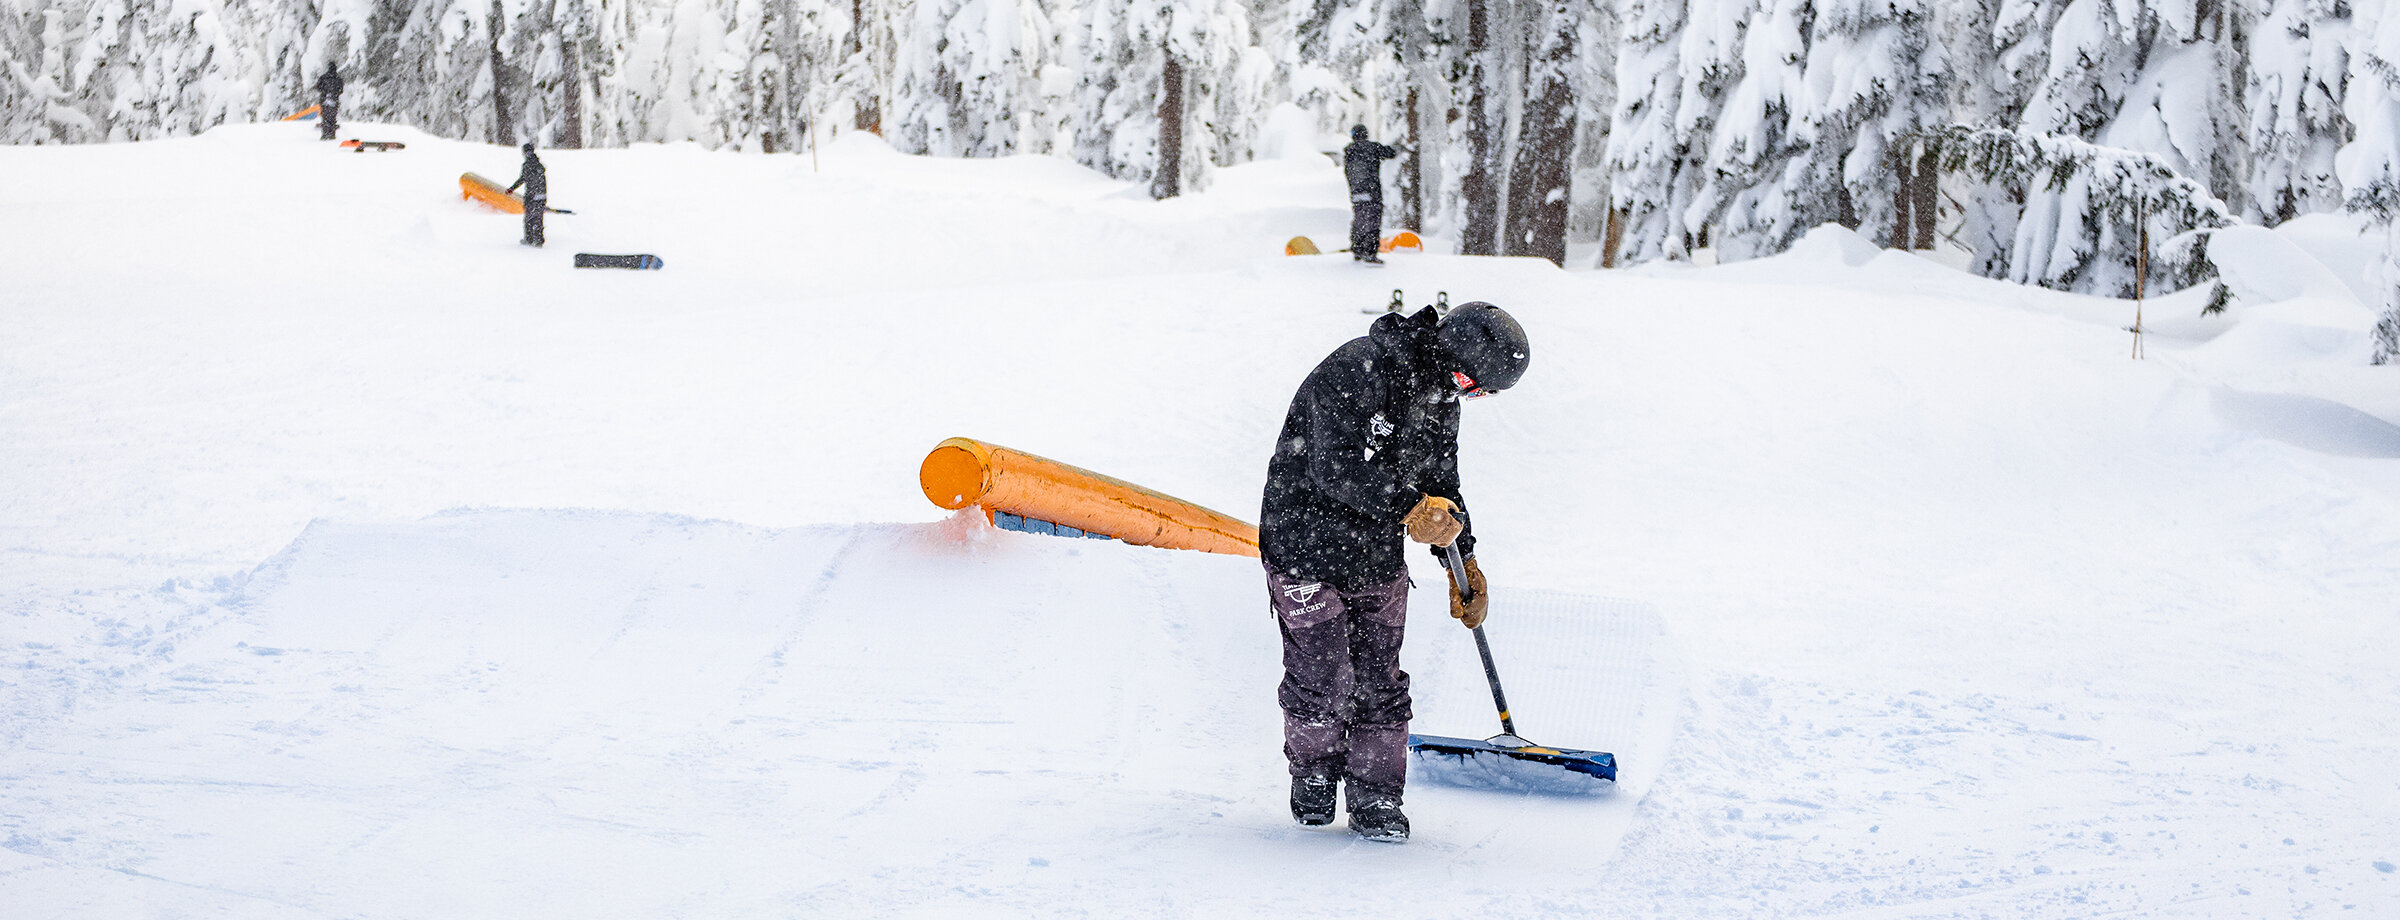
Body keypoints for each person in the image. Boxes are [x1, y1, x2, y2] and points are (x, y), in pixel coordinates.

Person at [1258, 301, 1532, 843]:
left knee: (1380, 675)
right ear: (1459, 365)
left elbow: (1442, 486)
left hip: (1373, 553)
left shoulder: (1440, 400)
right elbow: (1332, 466)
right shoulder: (1356, 370)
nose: (1471, 399)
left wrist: (1466, 562)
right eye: (1477, 388)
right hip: (1302, 546)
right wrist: (1409, 507)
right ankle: (1313, 772)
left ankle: (1376, 794)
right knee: (1323, 671)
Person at [1342, 125, 1397, 264]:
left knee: (1359, 219)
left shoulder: (1349, 152)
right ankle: (1370, 252)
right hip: (1372, 191)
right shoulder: (1372, 147)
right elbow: (1390, 153)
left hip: (1356, 192)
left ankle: (1357, 248)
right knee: (1373, 220)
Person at [505, 143, 547, 247]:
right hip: (542, 195)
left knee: (529, 219)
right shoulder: (539, 165)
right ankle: (539, 240)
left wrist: (512, 189)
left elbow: (523, 179)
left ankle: (529, 239)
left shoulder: (527, 165)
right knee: (538, 218)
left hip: (532, 195)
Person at [314, 66, 344, 141]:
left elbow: (318, 87)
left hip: (324, 100)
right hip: (334, 100)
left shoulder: (323, 77)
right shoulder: (338, 79)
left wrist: (325, 92)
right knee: (332, 117)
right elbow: (341, 90)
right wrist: (334, 93)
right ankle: (332, 134)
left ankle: (325, 134)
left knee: (325, 117)